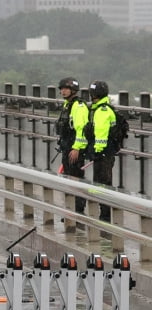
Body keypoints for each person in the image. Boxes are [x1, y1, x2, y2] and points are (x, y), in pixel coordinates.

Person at [84, 79, 118, 224]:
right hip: (106, 153)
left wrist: (97, 152)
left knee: (102, 184)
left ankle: (105, 217)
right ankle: (104, 215)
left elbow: (101, 133)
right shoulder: (101, 108)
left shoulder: (102, 110)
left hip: (103, 154)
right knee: (102, 183)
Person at [55, 76, 89, 214]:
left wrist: (77, 148)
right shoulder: (67, 104)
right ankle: (71, 211)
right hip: (67, 147)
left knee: (76, 179)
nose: (63, 91)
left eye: (66, 89)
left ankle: (78, 211)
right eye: (61, 89)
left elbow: (82, 129)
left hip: (75, 149)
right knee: (68, 179)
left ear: (73, 90)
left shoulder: (78, 105)